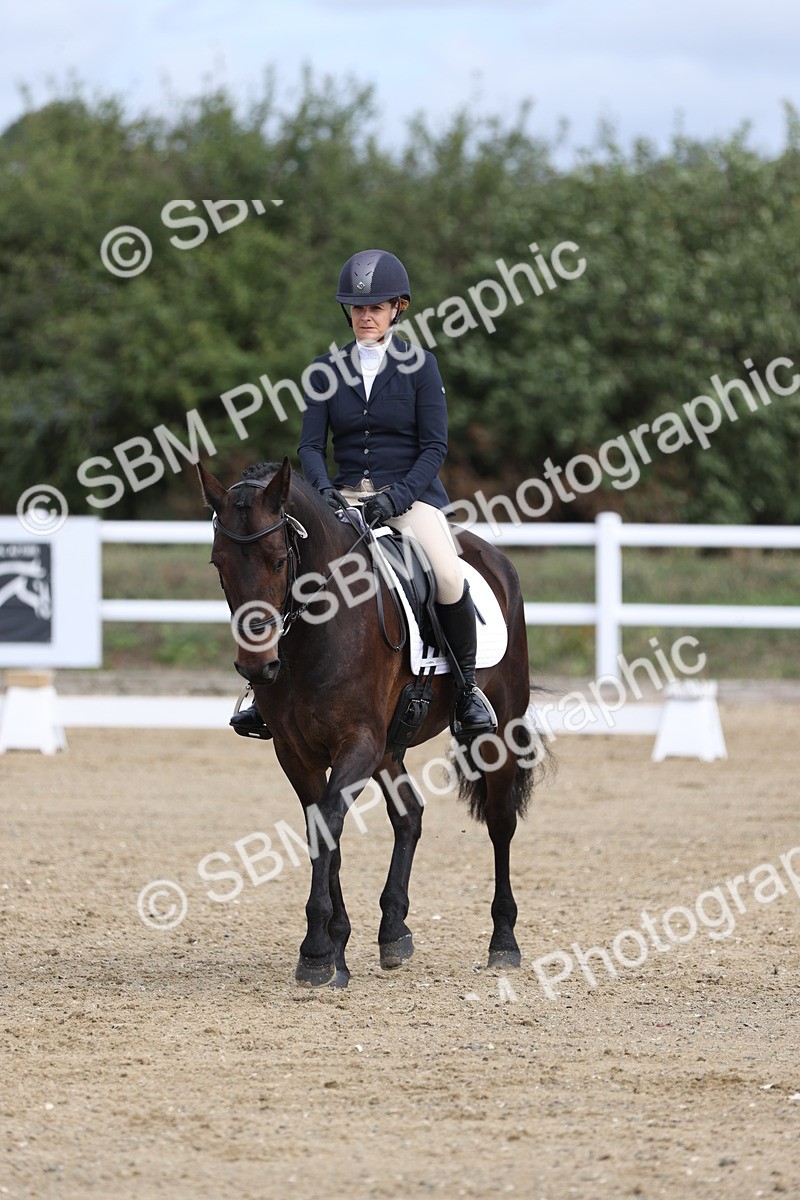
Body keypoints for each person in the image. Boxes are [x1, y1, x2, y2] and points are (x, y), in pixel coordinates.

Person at [231, 248, 495, 740]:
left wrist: (397, 500)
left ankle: (466, 692)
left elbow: (434, 447)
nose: (365, 317)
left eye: (375, 307)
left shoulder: (421, 367)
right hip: (342, 501)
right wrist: (327, 492)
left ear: (398, 308)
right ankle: (263, 693)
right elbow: (311, 445)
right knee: (294, 575)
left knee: (447, 575)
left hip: (409, 501)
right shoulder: (324, 369)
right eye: (357, 308)